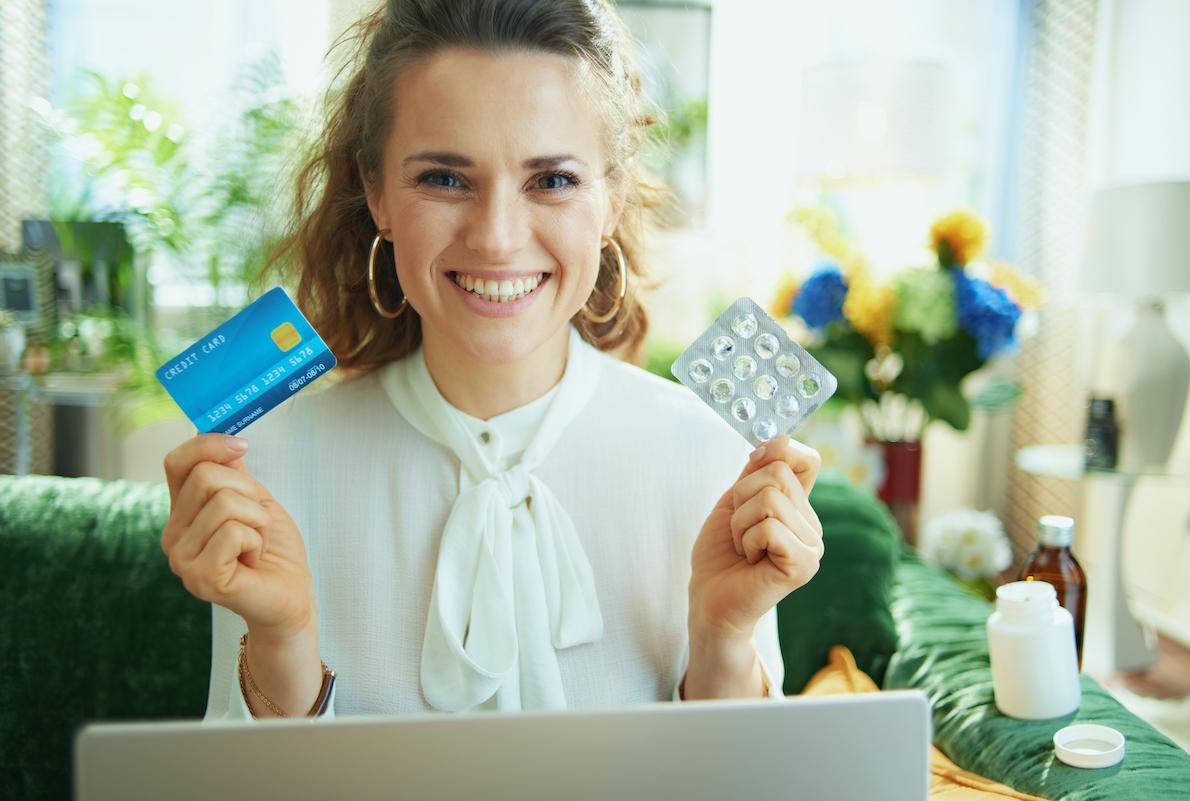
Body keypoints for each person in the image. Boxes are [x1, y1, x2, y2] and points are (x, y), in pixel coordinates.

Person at [160, 0, 824, 720]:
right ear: (377, 193)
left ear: (611, 199)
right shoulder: (274, 464)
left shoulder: (712, 454)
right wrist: (283, 639)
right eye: (446, 179)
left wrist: (723, 637)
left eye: (553, 180)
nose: (499, 238)